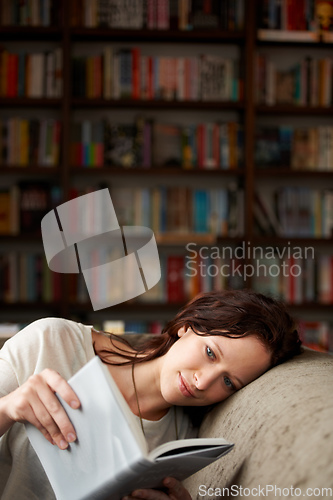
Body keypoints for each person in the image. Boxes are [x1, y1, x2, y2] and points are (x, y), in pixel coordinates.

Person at [0, 289, 302, 500]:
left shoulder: (182, 445)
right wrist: (8, 409)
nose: (202, 382)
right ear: (187, 326)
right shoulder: (52, 342)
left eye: (228, 382)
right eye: (210, 352)